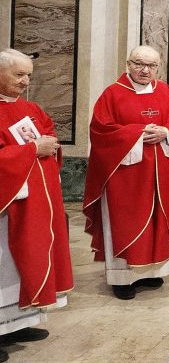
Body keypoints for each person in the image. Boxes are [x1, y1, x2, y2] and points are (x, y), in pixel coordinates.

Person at [84, 46, 169, 300]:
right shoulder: (113, 93)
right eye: (139, 64)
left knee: (156, 220)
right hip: (126, 175)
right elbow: (101, 130)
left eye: (151, 66)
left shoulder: (163, 90)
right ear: (128, 64)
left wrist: (165, 131)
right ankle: (122, 278)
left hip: (158, 171)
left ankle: (152, 271)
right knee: (126, 222)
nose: (145, 70)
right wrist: (138, 134)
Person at [0, 49, 72, 357]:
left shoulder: (30, 108)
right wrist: (32, 150)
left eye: (29, 75)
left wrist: (50, 144)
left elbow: (48, 133)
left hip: (35, 202)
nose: (26, 81)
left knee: (29, 261)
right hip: (7, 206)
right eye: (19, 74)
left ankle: (19, 322)